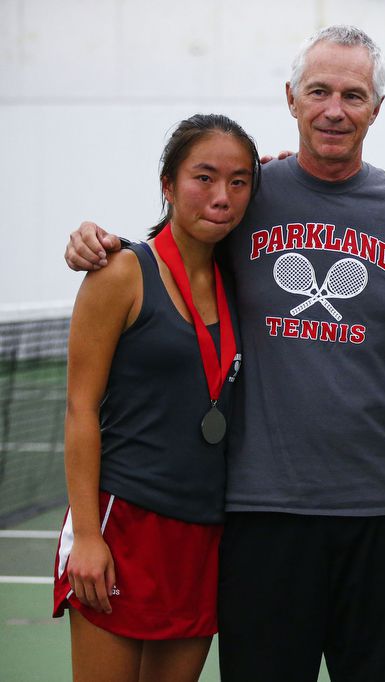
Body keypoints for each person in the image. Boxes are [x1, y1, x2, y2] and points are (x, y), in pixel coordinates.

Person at [63, 26, 385, 682]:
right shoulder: (250, 196)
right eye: (318, 91)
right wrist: (94, 241)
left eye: (353, 94)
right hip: (261, 516)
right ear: (291, 98)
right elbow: (178, 239)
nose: (334, 108)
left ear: (376, 108)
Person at [53, 114, 259, 682]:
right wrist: (89, 537)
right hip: (122, 526)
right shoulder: (120, 272)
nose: (221, 196)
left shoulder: (240, 279)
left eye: (239, 181)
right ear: (167, 185)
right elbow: (79, 410)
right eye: (204, 177)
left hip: (201, 534)